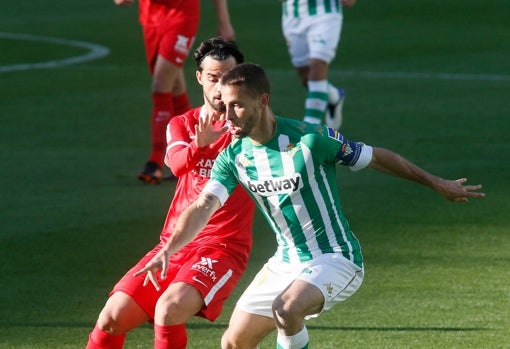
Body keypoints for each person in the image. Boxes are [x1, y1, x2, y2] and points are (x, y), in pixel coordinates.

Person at [134, 63, 485, 349]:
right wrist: (170, 247)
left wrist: (436, 182)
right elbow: (203, 205)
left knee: (285, 309)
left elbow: (377, 158)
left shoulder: (310, 140)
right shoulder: (234, 156)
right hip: (285, 263)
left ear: (263, 101)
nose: (228, 115)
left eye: (237, 105)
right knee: (234, 342)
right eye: (223, 106)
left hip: (336, 257)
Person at [86, 37, 254, 349]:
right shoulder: (182, 124)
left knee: (169, 309)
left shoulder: (250, 130)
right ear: (200, 78)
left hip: (222, 247)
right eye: (213, 78)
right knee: (112, 316)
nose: (220, 88)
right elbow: (176, 165)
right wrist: (199, 144)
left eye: (228, 79)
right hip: (174, 244)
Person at [113, 0, 236, 183]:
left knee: (160, 84)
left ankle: (155, 162)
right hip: (150, 18)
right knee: (174, 86)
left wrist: (224, 21)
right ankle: (190, 151)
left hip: (181, 16)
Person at [281, 0, 357, 129]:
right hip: (293, 17)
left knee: (317, 66)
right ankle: (334, 95)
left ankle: (309, 130)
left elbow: (349, 2)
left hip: (325, 16)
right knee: (306, 78)